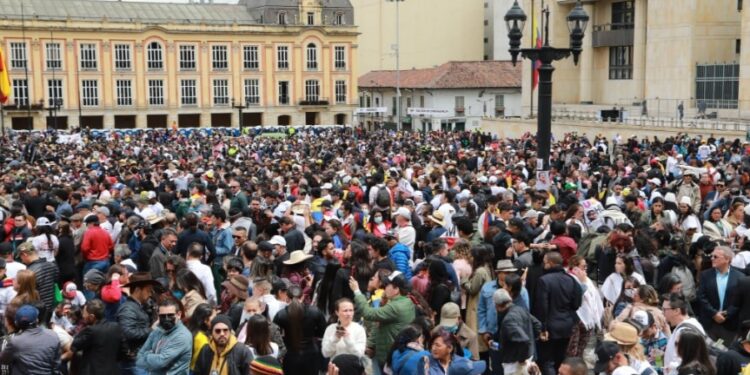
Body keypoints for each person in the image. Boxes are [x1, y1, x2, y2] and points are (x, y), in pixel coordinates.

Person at [349, 271, 415, 374]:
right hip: (393, 353)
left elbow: (368, 313)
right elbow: (378, 323)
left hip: (389, 356)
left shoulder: (395, 307)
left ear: (396, 289)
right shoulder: (406, 302)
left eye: (388, 285)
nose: (385, 288)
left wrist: (357, 291)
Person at [532, 251, 582, 375]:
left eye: (545, 262)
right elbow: (576, 303)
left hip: (549, 326)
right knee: (560, 358)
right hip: (567, 324)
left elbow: (542, 306)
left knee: (547, 360)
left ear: (550, 263)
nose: (543, 265)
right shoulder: (571, 279)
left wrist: (542, 328)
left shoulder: (544, 280)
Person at [273, 285, 327, 375]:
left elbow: (275, 336)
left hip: (290, 355)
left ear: (287, 297)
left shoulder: (281, 315)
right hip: (311, 353)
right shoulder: (315, 311)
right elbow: (323, 332)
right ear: (303, 296)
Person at [696, 246, 742, 343]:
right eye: (712, 256)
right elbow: (701, 297)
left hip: (729, 324)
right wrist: (714, 314)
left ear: (727, 259)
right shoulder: (705, 275)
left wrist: (727, 314)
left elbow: (739, 300)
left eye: (715, 257)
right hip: (709, 322)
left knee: (726, 353)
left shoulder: (739, 277)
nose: (712, 258)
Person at [117, 272, 160, 374]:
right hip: (134, 361)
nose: (150, 294)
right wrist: (152, 329)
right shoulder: (128, 309)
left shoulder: (141, 307)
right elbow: (128, 333)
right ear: (137, 290)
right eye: (148, 290)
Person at [136, 298, 193, 374]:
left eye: (170, 315)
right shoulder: (157, 331)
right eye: (162, 316)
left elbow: (160, 362)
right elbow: (139, 358)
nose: (166, 319)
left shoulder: (183, 336)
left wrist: (147, 355)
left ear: (179, 315)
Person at [0, 304, 60, 374]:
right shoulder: (53, 336)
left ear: (16, 323)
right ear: (37, 320)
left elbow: (4, 361)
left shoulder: (15, 341)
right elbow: (56, 366)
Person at [493, 288, 541, 375]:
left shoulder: (508, 321)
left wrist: (522, 359)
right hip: (528, 359)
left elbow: (524, 340)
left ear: (497, 305)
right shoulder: (521, 309)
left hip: (515, 365)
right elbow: (537, 325)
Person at [71, 299, 124, 375]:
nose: (83, 316)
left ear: (92, 317)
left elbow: (74, 345)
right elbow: (123, 352)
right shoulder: (116, 327)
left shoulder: (90, 331)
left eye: (85, 313)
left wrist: (83, 329)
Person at [662, 293, 705, 375]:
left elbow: (682, 362)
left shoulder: (685, 332)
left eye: (664, 309)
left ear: (676, 311)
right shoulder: (689, 325)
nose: (662, 312)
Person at [418, 326, 486, 375]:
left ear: (450, 348)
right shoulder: (426, 362)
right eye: (432, 344)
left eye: (437, 345)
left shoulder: (462, 362)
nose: (433, 348)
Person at [187, 303, 215, 371]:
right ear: (206, 320)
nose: (217, 320)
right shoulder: (202, 339)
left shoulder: (192, 332)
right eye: (214, 317)